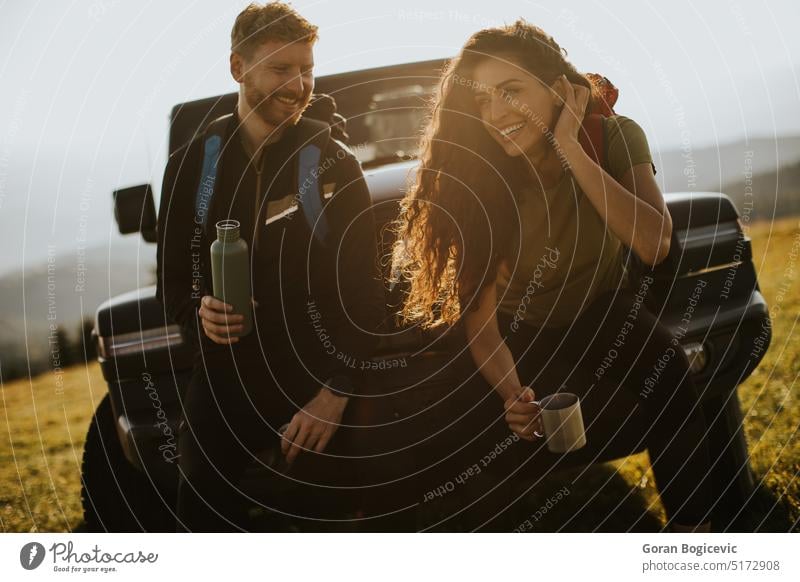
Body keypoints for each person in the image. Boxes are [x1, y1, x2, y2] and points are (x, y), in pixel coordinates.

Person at [391, 20, 713, 532]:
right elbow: (482, 320)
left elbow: (654, 244)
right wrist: (511, 393)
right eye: (482, 103)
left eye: (511, 91)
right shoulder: (481, 174)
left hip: (600, 304)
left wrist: (571, 146)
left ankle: (696, 542)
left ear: (556, 87)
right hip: (523, 324)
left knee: (667, 371)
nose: (495, 114)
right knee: (459, 428)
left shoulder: (613, 136)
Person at [155, 1, 385, 531]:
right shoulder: (190, 165)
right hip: (222, 381)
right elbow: (173, 283)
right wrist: (200, 314)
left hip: (314, 377)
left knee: (327, 526)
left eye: (306, 69)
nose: (299, 83)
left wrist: (334, 395)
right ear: (238, 68)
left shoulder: (335, 164)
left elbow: (368, 295)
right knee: (203, 521)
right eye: (282, 68)